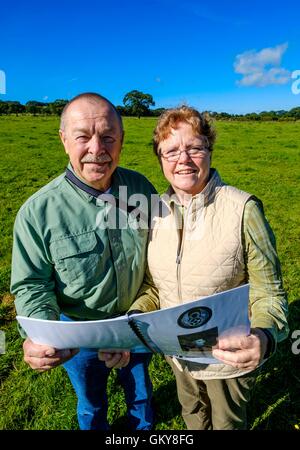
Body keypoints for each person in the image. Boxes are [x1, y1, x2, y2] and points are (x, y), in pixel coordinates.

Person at [100, 105, 289, 430]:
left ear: (210, 151)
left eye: (194, 148)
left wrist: (265, 336)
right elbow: (153, 287)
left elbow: (269, 293)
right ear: (160, 159)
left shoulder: (243, 209)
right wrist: (130, 325)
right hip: (178, 357)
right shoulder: (155, 212)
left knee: (227, 425)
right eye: (170, 151)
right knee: (192, 419)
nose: (183, 159)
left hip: (226, 362)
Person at [10, 92, 158, 431]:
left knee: (139, 391)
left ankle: (141, 428)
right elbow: (32, 283)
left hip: (137, 322)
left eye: (108, 137)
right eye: (83, 136)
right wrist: (42, 332)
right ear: (64, 140)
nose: (97, 149)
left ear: (121, 141)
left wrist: (137, 319)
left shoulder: (141, 189)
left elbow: (160, 257)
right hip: (78, 332)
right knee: (91, 402)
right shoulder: (37, 212)